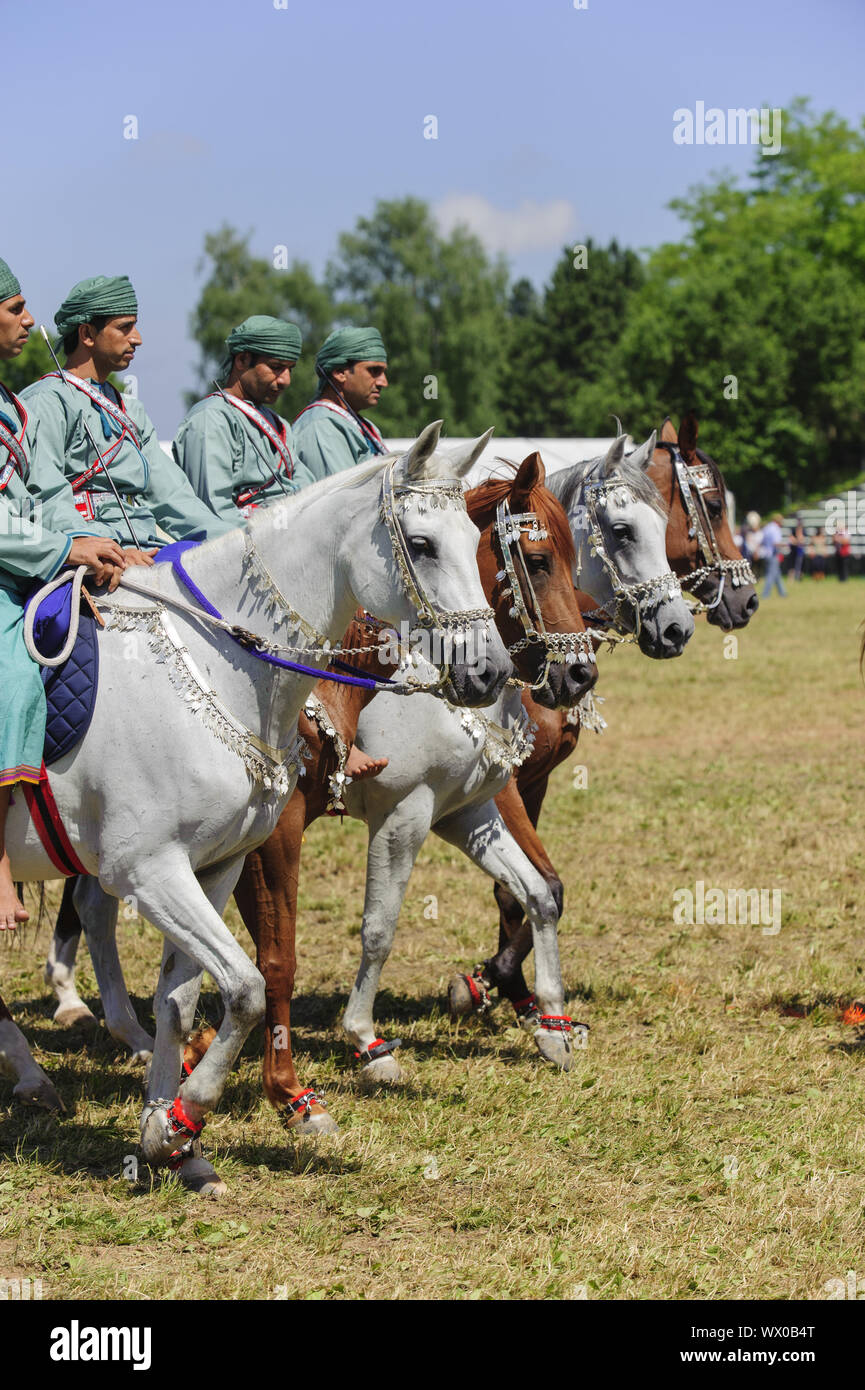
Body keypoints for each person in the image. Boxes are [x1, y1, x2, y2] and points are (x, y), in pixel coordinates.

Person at [0, 258, 128, 930]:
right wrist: (61, 549)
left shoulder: (9, 407)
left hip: (27, 568)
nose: (29, 321)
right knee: (18, 679)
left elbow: (42, 500)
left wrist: (93, 542)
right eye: (16, 308)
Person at [20, 276, 235, 551]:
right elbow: (44, 497)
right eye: (125, 328)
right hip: (88, 552)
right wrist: (105, 548)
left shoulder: (130, 410)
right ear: (87, 334)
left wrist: (237, 540)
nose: (138, 339)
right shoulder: (47, 401)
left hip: (143, 543)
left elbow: (172, 497)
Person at [174, 315, 315, 525]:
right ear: (242, 360)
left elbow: (308, 492)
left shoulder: (279, 425)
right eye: (276, 367)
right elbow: (214, 512)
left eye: (290, 369)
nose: (286, 380)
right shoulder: (211, 419)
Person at [292, 326, 388, 481]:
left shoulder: (363, 425)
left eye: (383, 372)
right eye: (374, 371)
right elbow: (341, 501)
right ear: (340, 372)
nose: (383, 382)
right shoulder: (321, 426)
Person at [760, 512, 787, 599]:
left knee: (777, 574)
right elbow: (776, 543)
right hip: (773, 554)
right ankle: (765, 594)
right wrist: (787, 544)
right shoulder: (775, 529)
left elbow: (762, 541)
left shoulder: (767, 528)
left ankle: (782, 593)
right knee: (771, 575)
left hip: (766, 553)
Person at [789, 514, 807, 581]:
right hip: (794, 550)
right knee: (793, 565)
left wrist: (797, 541)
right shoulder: (794, 529)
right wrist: (797, 542)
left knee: (800, 565)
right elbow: (792, 539)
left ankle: (799, 578)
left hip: (800, 550)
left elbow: (801, 539)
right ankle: (793, 578)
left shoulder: (804, 530)